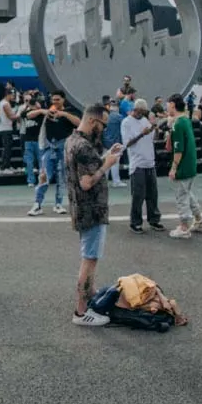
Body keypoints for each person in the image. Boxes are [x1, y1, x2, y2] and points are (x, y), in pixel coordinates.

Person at [66, 104, 125, 326]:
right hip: (92, 209)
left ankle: (91, 296)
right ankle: (81, 312)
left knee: (88, 255)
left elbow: (85, 169)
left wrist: (105, 156)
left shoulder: (72, 141)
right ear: (93, 121)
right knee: (89, 260)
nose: (104, 129)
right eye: (103, 124)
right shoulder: (84, 147)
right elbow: (87, 181)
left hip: (80, 208)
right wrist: (107, 164)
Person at [27, 91, 77, 216]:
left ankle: (58, 204)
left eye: (57, 99)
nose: (55, 102)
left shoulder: (69, 112)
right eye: (53, 99)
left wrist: (64, 114)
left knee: (61, 178)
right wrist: (41, 111)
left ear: (63, 100)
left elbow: (78, 123)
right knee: (43, 176)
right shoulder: (47, 112)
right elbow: (28, 115)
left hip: (63, 149)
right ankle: (37, 204)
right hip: (49, 149)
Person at [120, 98, 162, 233]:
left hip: (149, 161)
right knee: (138, 194)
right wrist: (141, 134)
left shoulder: (145, 120)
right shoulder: (126, 122)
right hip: (137, 163)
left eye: (144, 112)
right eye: (140, 112)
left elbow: (153, 139)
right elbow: (127, 143)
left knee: (153, 194)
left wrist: (155, 130)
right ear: (135, 109)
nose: (142, 114)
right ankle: (135, 222)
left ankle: (154, 219)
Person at [167, 95, 202, 239]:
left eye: (168, 105)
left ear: (172, 105)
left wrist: (173, 168)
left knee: (181, 196)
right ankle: (199, 219)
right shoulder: (186, 120)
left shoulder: (177, 124)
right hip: (190, 163)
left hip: (182, 166)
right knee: (187, 193)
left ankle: (184, 227)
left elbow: (178, 149)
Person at [0, 88, 17, 174]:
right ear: (8, 95)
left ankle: (7, 165)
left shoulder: (0, 103)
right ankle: (3, 168)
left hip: (2, 128)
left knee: (7, 148)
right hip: (6, 129)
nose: (13, 97)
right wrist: (21, 113)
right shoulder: (6, 104)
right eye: (13, 95)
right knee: (7, 149)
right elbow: (12, 117)